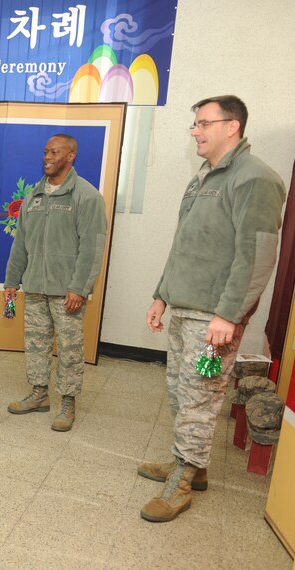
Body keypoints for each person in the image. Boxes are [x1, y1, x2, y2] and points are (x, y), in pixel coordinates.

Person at [140, 95, 285, 522]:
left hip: (214, 318)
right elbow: (183, 243)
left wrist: (229, 314)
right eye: (195, 124)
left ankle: (182, 482)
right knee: (181, 394)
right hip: (185, 307)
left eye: (204, 123)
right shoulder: (202, 178)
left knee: (200, 398)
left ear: (232, 126)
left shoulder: (255, 179)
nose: (196, 131)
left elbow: (256, 256)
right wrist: (161, 294)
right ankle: (192, 464)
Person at [4, 134, 107, 432]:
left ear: (71, 156)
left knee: (70, 349)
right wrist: (13, 280)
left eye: (55, 152)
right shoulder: (33, 198)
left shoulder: (86, 197)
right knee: (36, 345)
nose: (48, 156)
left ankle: (67, 403)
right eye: (46, 151)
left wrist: (79, 287)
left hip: (67, 293)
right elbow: (20, 243)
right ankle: (39, 394)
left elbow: (92, 248)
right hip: (35, 287)